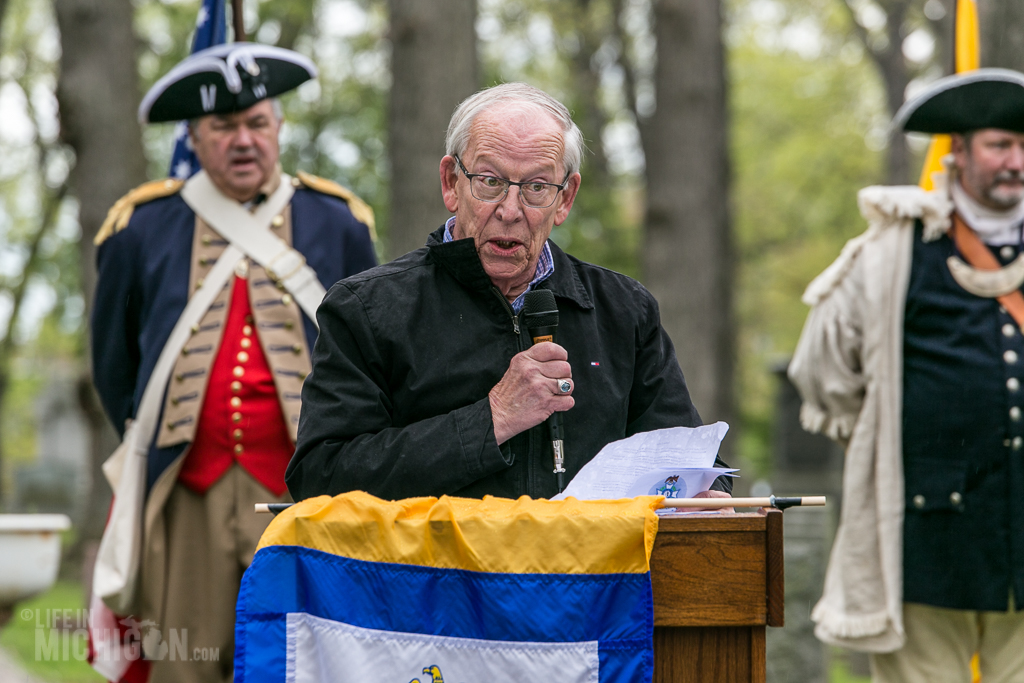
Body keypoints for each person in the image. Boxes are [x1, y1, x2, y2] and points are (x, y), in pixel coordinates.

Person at [286, 82, 732, 502]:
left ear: (565, 199)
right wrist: (492, 419)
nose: (511, 210)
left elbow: (687, 459)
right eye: (490, 181)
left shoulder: (624, 311)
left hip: (590, 579)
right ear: (451, 183)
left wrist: (709, 493)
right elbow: (319, 477)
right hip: (436, 580)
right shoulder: (367, 309)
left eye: (537, 187)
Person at [91, 43, 377, 683]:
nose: (242, 141)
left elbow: (372, 365)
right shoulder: (141, 228)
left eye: (256, 123)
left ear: (279, 128)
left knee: (303, 662)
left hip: (304, 491)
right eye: (223, 127)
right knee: (185, 665)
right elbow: (115, 370)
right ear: (195, 135)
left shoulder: (337, 222)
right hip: (189, 490)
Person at [789, 69, 1024, 682]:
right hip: (925, 536)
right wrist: (879, 434)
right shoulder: (893, 252)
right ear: (960, 150)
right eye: (1001, 144)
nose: (1016, 161)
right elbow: (822, 368)